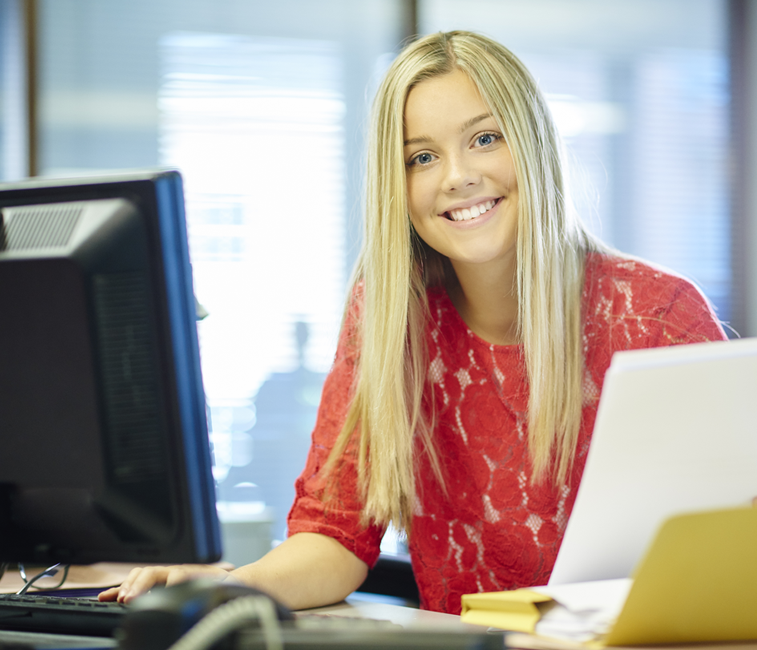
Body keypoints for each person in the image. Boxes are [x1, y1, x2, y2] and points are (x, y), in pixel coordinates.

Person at [99, 30, 727, 614]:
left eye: (485, 138)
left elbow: (732, 537)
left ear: (532, 145)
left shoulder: (656, 316)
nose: (458, 177)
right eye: (422, 157)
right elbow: (336, 536)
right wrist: (229, 588)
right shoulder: (393, 314)